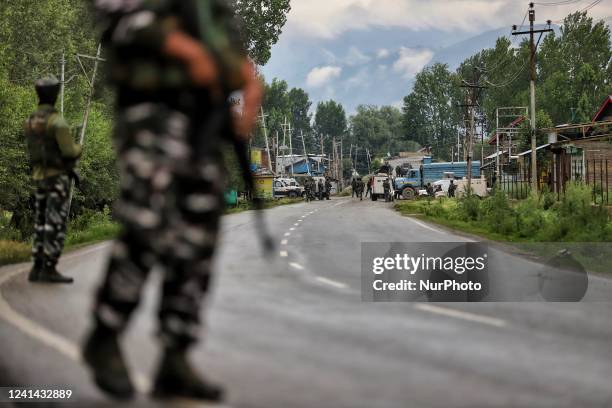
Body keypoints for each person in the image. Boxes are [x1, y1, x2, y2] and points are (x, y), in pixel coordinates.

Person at [83, 0, 262, 402]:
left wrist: (244, 75)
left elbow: (217, 30)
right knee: (149, 221)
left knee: (198, 234)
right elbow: (114, 16)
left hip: (204, 118)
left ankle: (175, 354)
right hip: (153, 111)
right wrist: (185, 49)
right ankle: (105, 333)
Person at [25, 76, 82, 284]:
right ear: (55, 94)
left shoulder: (31, 121)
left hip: (39, 176)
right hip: (57, 177)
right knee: (55, 223)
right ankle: (49, 267)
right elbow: (69, 151)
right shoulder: (57, 121)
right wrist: (79, 148)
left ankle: (36, 266)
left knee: (41, 222)